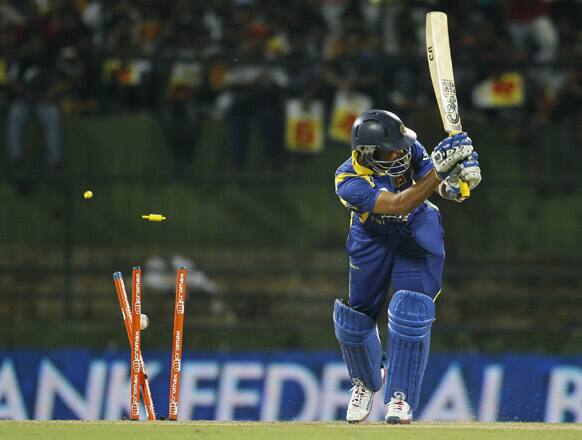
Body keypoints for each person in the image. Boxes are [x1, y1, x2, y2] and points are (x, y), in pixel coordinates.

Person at [333, 110, 481, 424]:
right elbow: (399, 203)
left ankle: (400, 397)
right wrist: (440, 174)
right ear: (369, 153)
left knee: (410, 310)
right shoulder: (348, 181)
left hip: (416, 228)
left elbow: (432, 180)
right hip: (371, 237)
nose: (401, 152)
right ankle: (364, 382)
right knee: (354, 320)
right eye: (393, 149)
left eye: (403, 145)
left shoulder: (408, 148)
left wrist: (455, 183)